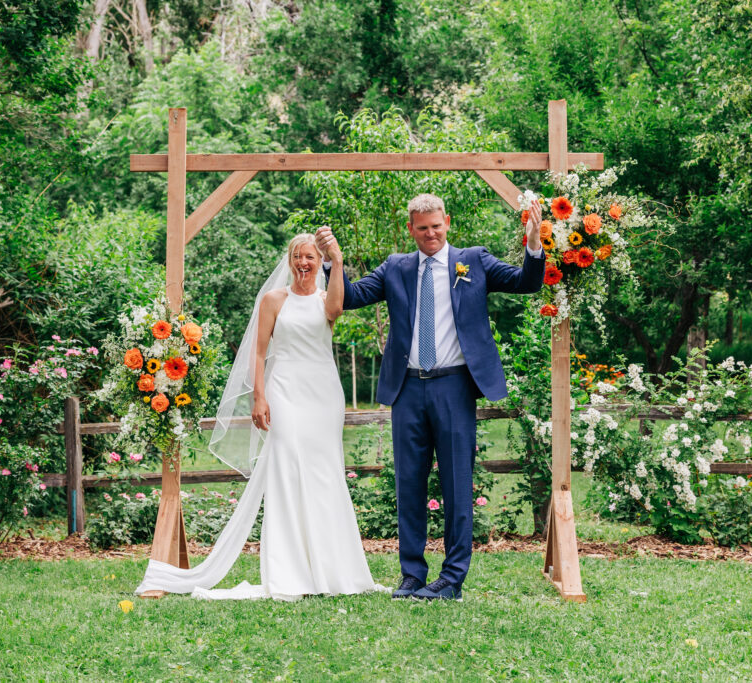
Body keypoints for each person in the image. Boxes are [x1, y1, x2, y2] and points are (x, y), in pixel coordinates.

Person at [315, 194, 545, 601]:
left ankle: (452, 579)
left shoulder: (473, 261)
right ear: (411, 229)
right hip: (407, 388)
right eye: (422, 228)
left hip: (455, 385)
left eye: (436, 226)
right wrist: (333, 260)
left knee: (457, 482)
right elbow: (349, 298)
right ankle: (412, 575)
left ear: (447, 222)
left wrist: (533, 242)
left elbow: (526, 283)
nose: (430, 234)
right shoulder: (395, 267)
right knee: (409, 483)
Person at [135, 234, 384, 600]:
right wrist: (260, 397)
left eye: (311, 257)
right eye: (298, 257)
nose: (304, 263)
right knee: (285, 469)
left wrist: (338, 257)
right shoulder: (272, 300)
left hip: (323, 394)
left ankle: (332, 571)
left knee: (323, 473)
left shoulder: (326, 299)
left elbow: (335, 310)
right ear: (289, 260)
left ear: (319, 261)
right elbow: (259, 353)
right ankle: (289, 572)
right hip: (283, 389)